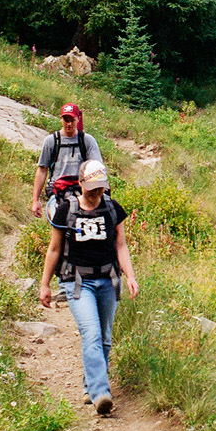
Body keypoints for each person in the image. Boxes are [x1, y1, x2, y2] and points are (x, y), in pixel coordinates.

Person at [39, 158, 138, 415]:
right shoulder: (66, 210)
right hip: (77, 281)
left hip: (108, 279)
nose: (97, 192)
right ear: (81, 183)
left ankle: (90, 385)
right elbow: (54, 249)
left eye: (101, 187)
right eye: (92, 187)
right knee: (92, 333)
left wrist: (130, 276)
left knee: (104, 338)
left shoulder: (113, 209)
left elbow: (121, 245)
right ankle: (101, 393)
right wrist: (45, 284)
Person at [30, 102, 102, 217]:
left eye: (72, 120)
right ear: (61, 120)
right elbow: (42, 170)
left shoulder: (87, 141)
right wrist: (35, 200)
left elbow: (96, 168)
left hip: (82, 191)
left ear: (78, 119)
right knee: (59, 223)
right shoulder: (51, 141)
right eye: (65, 120)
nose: (69, 124)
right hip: (57, 191)